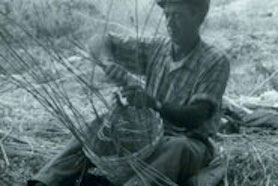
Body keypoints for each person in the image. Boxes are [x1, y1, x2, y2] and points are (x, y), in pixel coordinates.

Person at [28, 0, 230, 185]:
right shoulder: (157, 49)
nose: (169, 22)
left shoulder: (215, 61)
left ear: (198, 16)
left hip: (191, 142)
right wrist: (108, 62)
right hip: (148, 133)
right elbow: (99, 40)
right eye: (167, 15)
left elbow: (197, 115)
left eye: (177, 16)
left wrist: (154, 104)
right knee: (99, 129)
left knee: (178, 147)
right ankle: (44, 181)